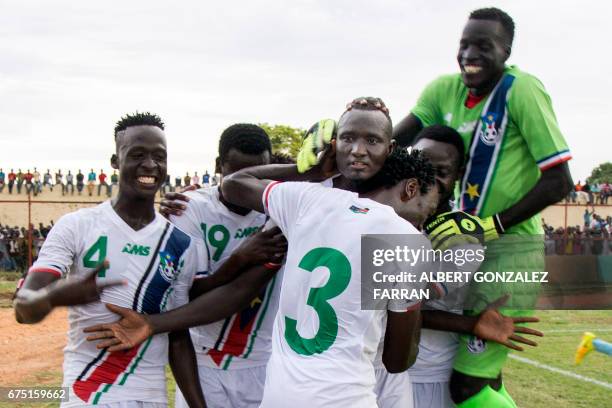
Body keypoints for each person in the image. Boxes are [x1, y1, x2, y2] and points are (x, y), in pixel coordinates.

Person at [393, 7, 573, 407]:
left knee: (467, 385)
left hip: (509, 252)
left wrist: (489, 226)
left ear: (506, 50)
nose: (469, 55)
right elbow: (398, 137)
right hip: (461, 248)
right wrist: (352, 139)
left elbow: (559, 181)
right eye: (464, 44)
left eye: (483, 46)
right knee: (479, 365)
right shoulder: (443, 89)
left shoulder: (521, 89)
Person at [13, 112, 209, 407]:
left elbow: (178, 336)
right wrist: (55, 296)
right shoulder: (77, 225)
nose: (150, 165)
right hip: (86, 393)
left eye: (160, 156)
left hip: (150, 396)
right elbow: (23, 309)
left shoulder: (181, 244)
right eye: (137, 154)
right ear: (115, 161)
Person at [161, 123, 276, 408]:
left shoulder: (282, 209)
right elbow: (186, 297)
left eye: (257, 174)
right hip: (204, 359)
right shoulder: (190, 208)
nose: (246, 185)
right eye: (237, 174)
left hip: (265, 360)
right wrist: (240, 258)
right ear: (218, 165)